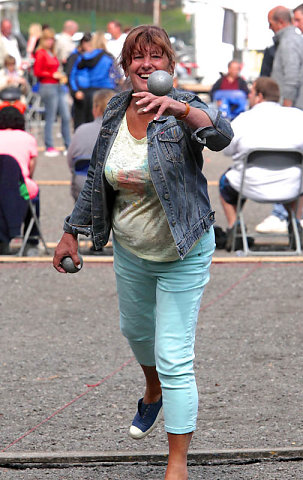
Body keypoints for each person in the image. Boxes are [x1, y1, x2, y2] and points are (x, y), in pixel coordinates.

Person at [53, 24, 233, 480]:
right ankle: (151, 391)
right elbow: (97, 174)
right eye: (137, 57)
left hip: (183, 250)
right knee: (136, 333)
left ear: (170, 65)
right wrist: (71, 231)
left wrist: (178, 108)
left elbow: (221, 136)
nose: (146, 64)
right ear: (126, 66)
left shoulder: (185, 108)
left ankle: (176, 463)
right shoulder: (115, 107)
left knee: (174, 354)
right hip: (132, 250)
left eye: (156, 56)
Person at [219, 77, 303, 250]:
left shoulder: (243, 119)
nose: (248, 96)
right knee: (296, 179)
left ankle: (235, 227)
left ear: (259, 96)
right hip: (290, 186)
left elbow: (226, 150)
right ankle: (295, 223)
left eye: (251, 92)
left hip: (249, 184)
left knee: (225, 182)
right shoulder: (297, 116)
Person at [255, 5, 303, 234]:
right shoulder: (289, 39)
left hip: (291, 109)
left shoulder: (290, 40)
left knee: (288, 159)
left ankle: (282, 215)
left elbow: (292, 77)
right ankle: (286, 215)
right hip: (291, 108)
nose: (269, 27)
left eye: (270, 22)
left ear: (280, 22)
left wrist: (286, 109)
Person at [0, 106, 39, 255]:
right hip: (18, 184)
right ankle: (31, 239)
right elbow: (30, 169)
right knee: (34, 193)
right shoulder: (28, 138)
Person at [67, 88, 115, 202]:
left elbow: (70, 162)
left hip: (82, 188)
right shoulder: (122, 131)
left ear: (96, 108)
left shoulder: (81, 130)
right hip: (112, 189)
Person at [69, 31, 119, 129]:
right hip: (107, 90)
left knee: (88, 122)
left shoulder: (84, 57)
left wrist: (76, 90)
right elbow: (116, 75)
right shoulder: (108, 57)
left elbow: (75, 74)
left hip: (90, 92)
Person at [33, 28, 71, 157]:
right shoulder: (41, 53)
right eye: (48, 39)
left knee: (66, 116)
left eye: (51, 39)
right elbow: (37, 72)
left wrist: (59, 75)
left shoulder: (51, 52)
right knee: (51, 117)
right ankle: (49, 145)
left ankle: (68, 145)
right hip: (48, 86)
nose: (50, 41)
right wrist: (51, 74)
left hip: (58, 85)